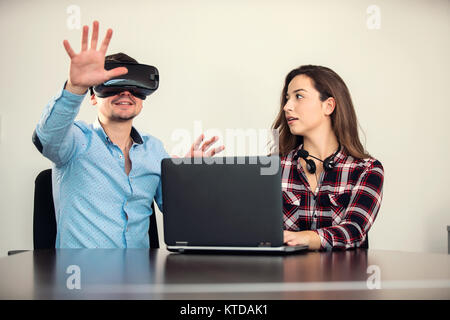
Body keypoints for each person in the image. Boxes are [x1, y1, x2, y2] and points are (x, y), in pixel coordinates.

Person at [33, 21, 223, 248]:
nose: (125, 93)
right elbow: (47, 138)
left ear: (142, 99)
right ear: (93, 97)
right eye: (113, 86)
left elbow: (177, 210)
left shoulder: (154, 150)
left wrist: (187, 176)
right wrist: (75, 87)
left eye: (134, 87)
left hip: (141, 278)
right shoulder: (75, 140)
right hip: (84, 277)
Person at [272, 65, 384, 251]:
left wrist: (307, 238)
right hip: (285, 278)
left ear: (328, 106)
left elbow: (354, 230)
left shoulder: (367, 169)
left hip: (345, 278)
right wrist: (205, 171)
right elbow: (242, 224)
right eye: (287, 99)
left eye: (299, 96)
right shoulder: (272, 167)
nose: (287, 106)